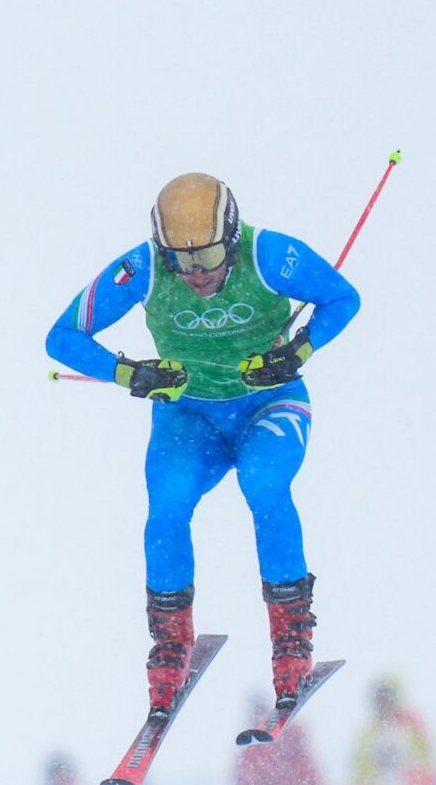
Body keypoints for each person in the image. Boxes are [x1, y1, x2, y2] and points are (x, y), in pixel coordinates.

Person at [45, 174, 359, 714]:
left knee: (264, 484)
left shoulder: (269, 254)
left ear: (231, 235)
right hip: (190, 416)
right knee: (167, 504)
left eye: (211, 255)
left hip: (270, 405)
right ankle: (169, 647)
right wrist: (129, 374)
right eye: (181, 261)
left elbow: (341, 298)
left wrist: (297, 353)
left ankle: (291, 644)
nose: (197, 273)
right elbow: (62, 337)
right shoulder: (141, 267)